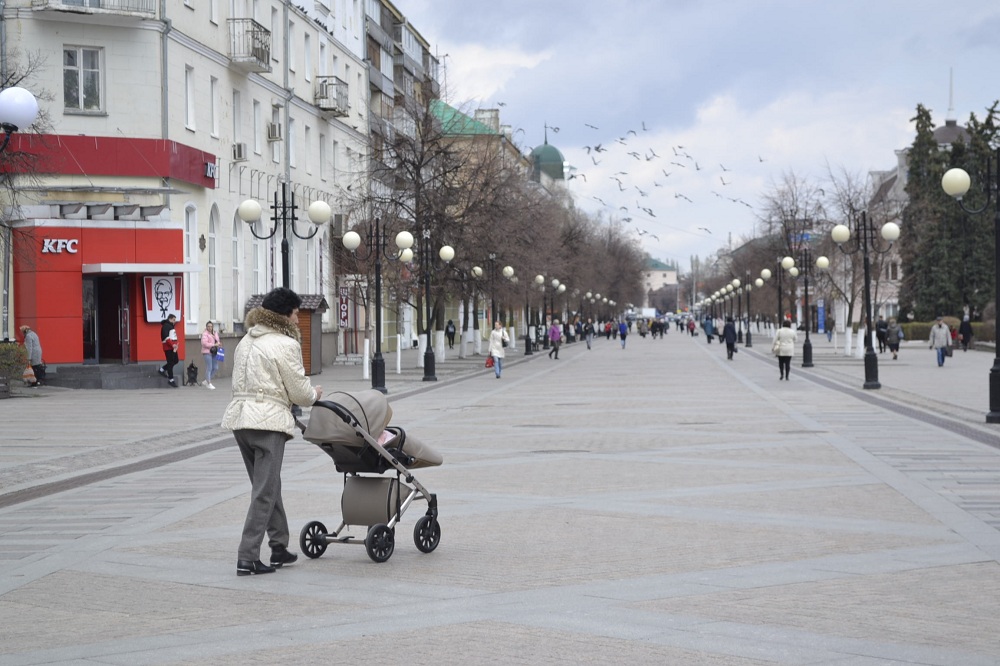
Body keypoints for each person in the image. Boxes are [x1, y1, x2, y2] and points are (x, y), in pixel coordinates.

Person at [222, 287, 322, 577]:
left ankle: (279, 545)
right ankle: (247, 557)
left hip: (241, 420)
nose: (297, 319)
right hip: (267, 424)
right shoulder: (285, 344)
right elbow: (300, 393)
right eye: (295, 314)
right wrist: (314, 394)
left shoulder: (245, 340)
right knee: (264, 492)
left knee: (267, 485)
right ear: (284, 315)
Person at [158, 314, 179, 388]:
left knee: (175, 360)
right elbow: (166, 338)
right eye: (173, 320)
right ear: (170, 319)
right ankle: (171, 379)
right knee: (170, 362)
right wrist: (172, 345)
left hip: (173, 347)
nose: (174, 321)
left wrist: (175, 344)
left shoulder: (171, 326)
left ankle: (162, 369)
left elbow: (173, 336)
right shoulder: (166, 326)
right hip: (168, 348)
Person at [200, 321, 221, 390]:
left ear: (212, 327)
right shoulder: (205, 334)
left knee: (215, 367)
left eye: (211, 326)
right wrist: (214, 345)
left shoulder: (215, 333)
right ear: (206, 327)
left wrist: (218, 344)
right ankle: (209, 383)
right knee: (209, 367)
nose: (209, 328)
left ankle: (207, 380)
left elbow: (217, 340)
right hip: (207, 352)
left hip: (214, 352)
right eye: (208, 326)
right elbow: (204, 343)